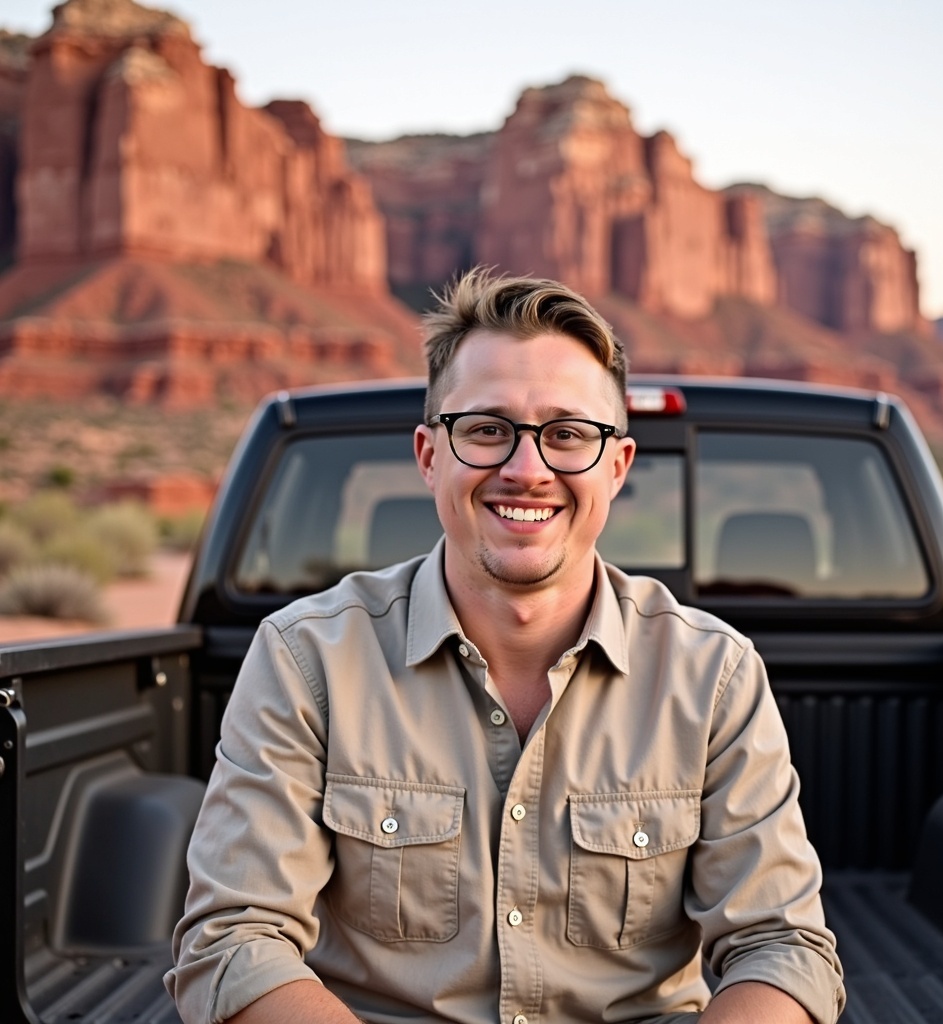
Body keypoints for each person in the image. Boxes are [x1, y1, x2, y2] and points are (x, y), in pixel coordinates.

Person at [166, 269, 845, 1024]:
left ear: (616, 467)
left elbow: (782, 947)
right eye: (487, 429)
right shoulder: (308, 660)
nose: (527, 470)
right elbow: (233, 940)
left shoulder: (712, 674)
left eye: (569, 434)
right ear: (429, 456)